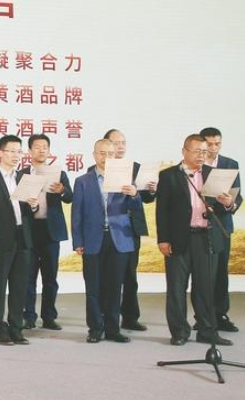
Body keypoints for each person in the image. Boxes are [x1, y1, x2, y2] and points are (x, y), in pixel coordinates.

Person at [156, 134, 235, 346]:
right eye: (197, 151)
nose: (202, 155)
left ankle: (207, 331)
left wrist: (228, 203)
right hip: (178, 239)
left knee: (205, 288)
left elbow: (225, 208)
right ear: (184, 151)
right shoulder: (169, 175)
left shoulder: (213, 175)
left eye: (204, 152)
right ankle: (179, 332)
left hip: (206, 238)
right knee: (176, 288)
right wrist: (163, 239)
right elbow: (162, 211)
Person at [72, 139, 141, 343]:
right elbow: (77, 214)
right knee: (93, 287)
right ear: (94, 155)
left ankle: (112, 329)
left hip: (119, 238)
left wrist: (134, 195)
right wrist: (78, 241)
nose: (106, 157)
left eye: (110, 153)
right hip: (93, 239)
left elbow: (136, 208)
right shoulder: (83, 181)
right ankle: (95, 328)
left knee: (114, 286)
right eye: (102, 153)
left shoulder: (125, 179)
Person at [0, 135, 39, 345]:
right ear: (0, 153)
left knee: (19, 285)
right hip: (0, 239)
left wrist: (33, 205)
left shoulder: (23, 177)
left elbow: (29, 211)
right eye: (11, 151)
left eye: (19, 151)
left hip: (23, 237)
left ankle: (16, 327)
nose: (16, 156)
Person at [104, 129, 156, 332]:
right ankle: (107, 317)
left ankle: (130, 317)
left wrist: (151, 190)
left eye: (123, 142)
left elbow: (147, 198)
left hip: (130, 229)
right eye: (116, 142)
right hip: (107, 229)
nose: (120, 146)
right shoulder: (97, 169)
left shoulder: (136, 168)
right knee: (108, 276)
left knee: (130, 276)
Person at [21, 134, 73, 331]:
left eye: (45, 147)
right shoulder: (22, 174)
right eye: (37, 147)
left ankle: (49, 317)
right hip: (29, 230)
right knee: (28, 277)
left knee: (50, 278)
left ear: (49, 151)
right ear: (29, 151)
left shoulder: (59, 174)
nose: (41, 150)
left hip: (51, 231)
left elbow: (70, 197)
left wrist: (62, 190)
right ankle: (29, 317)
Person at [200, 127, 242, 333]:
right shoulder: (195, 164)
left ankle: (220, 314)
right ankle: (202, 317)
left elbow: (237, 195)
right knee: (202, 273)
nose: (214, 148)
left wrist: (230, 203)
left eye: (217, 143)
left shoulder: (230, 164)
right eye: (209, 144)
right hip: (199, 224)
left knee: (221, 273)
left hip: (222, 225)